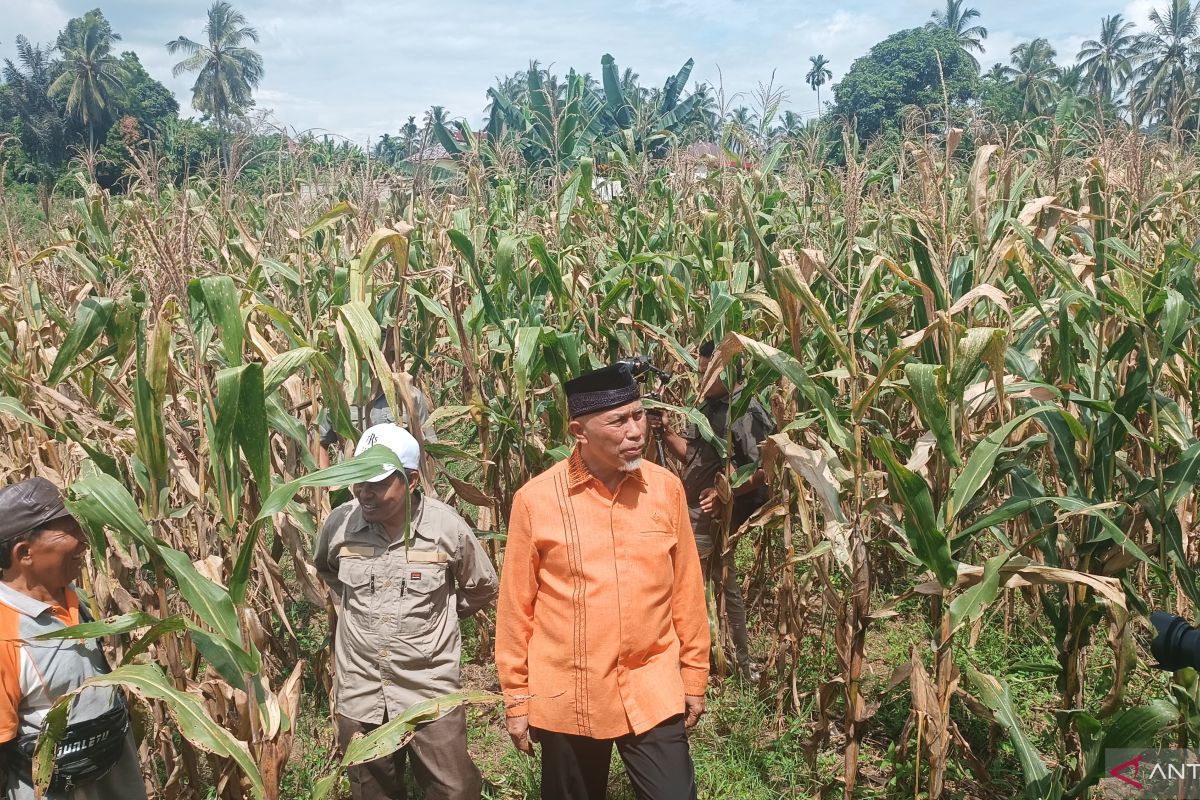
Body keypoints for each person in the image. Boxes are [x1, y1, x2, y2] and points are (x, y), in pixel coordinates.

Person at [496, 362, 710, 800]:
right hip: (569, 692)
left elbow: (687, 593)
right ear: (580, 431)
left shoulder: (666, 490)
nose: (636, 431)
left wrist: (693, 677)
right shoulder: (535, 501)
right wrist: (517, 700)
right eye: (618, 421)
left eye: (638, 416)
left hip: (652, 687)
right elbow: (516, 609)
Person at [314, 424, 498, 800]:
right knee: (370, 790)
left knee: (455, 789)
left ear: (411, 481)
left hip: (428, 689)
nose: (364, 492)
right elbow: (327, 570)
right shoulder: (340, 524)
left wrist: (440, 616)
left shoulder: (446, 528)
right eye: (358, 481)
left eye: (377, 484)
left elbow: (482, 586)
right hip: (360, 688)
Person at [0, 477, 145, 800]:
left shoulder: (72, 597)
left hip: (114, 777)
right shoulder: (5, 635)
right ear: (24, 553)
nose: (84, 540)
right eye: (70, 531)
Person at [649, 341, 774, 680]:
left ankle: (725, 662)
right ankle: (718, 658)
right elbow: (690, 455)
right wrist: (668, 431)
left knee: (705, 584)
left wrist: (724, 492)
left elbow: (764, 467)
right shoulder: (708, 406)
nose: (700, 378)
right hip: (693, 511)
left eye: (707, 371)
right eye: (700, 370)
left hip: (714, 515)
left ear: (729, 370)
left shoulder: (747, 410)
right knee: (710, 582)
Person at [318, 331, 437, 468]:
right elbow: (321, 442)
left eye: (383, 356)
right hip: (353, 483)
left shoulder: (410, 396)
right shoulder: (340, 397)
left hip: (396, 482)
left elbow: (428, 444)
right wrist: (327, 486)